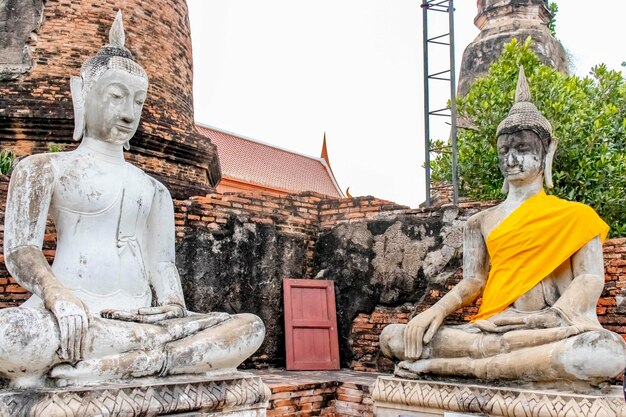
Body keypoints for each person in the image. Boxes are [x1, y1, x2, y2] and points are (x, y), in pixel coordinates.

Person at [1, 11, 264, 388]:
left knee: (247, 328)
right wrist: (57, 296)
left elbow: (162, 265)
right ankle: (144, 360)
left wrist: (171, 308)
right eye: (116, 97)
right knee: (11, 336)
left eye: (138, 102)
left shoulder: (154, 189)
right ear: (82, 95)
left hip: (149, 324)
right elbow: (21, 250)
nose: (128, 113)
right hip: (75, 317)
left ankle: (133, 365)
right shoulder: (44, 169)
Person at [380, 66, 626, 385]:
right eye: (504, 151)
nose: (511, 160)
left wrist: (548, 318)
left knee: (602, 352)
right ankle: (482, 363)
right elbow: (473, 281)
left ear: (546, 151)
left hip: (551, 327)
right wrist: (434, 312)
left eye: (522, 150)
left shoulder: (576, 215)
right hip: (489, 327)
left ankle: (459, 368)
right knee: (393, 338)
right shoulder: (480, 222)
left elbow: (590, 278)